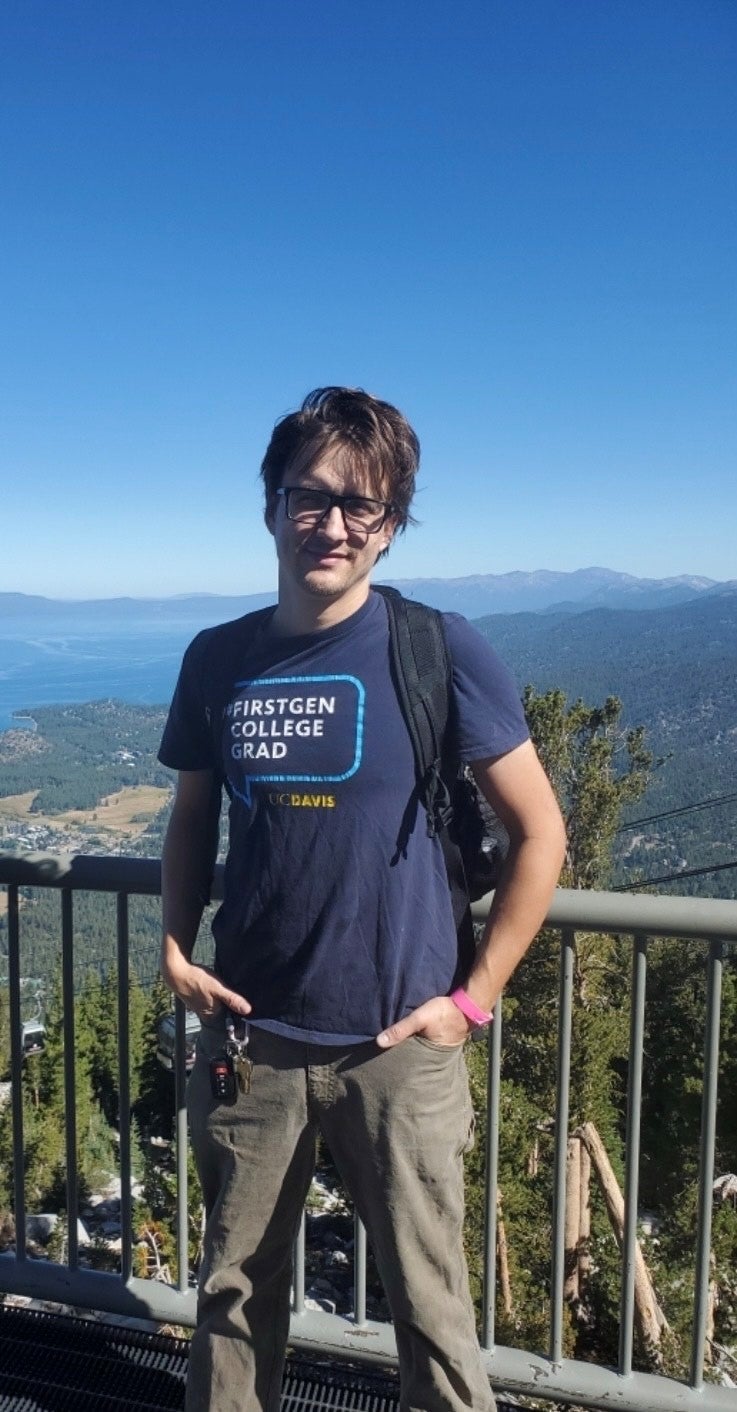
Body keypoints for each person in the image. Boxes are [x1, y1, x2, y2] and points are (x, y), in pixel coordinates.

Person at [158, 387, 566, 1412]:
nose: (332, 523)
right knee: (232, 1295)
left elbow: (539, 833)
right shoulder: (217, 658)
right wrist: (174, 947)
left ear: (390, 525)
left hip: (400, 1042)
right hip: (252, 1033)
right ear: (271, 506)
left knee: (431, 1311)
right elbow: (193, 817)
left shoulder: (437, 649)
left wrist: (470, 1001)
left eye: (362, 504)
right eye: (311, 496)